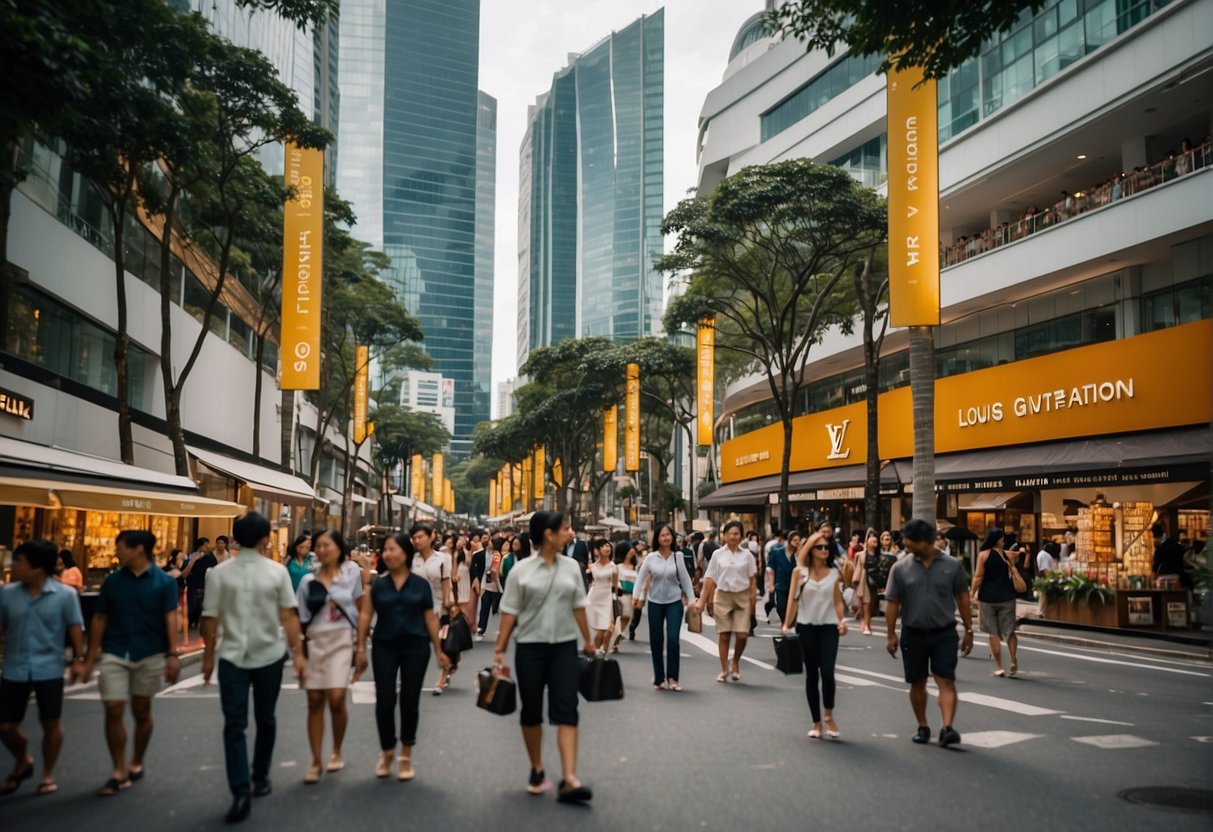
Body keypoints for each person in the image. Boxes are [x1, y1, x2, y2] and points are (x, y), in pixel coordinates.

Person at [201, 512, 306, 824]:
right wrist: (298, 654)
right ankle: (260, 776)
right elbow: (288, 616)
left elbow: (210, 619)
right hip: (270, 655)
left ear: (234, 538)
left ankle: (240, 791)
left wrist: (208, 657)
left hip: (231, 656)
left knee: (234, 725)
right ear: (265, 539)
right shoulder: (277, 572)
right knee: (266, 718)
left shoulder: (218, 574)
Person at [494, 511, 595, 804]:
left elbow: (578, 606)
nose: (570, 533)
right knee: (531, 711)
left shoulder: (572, 568)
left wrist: (588, 640)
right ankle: (536, 768)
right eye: (565, 529)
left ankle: (569, 778)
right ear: (549, 534)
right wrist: (500, 650)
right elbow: (509, 611)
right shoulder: (521, 571)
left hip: (564, 647)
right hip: (530, 648)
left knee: (568, 709)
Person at [81, 529, 180, 796]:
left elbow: (171, 617)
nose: (117, 551)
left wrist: (172, 655)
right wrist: (88, 659)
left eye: (121, 546)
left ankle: (136, 760)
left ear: (138, 549)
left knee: (141, 710)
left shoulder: (164, 582)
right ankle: (118, 769)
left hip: (150, 652)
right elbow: (99, 618)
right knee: (113, 707)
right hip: (115, 650)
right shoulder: (113, 582)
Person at [355, 532, 448, 781]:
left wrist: (439, 650)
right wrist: (360, 648)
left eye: (392, 549)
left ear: (405, 553)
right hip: (384, 646)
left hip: (416, 647)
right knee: (385, 701)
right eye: (385, 549)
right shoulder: (378, 585)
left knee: (409, 700)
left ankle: (406, 753)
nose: (387, 554)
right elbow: (365, 615)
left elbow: (430, 618)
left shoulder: (420, 585)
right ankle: (387, 751)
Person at [0, 540, 85, 797]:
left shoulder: (65, 595)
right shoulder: (7, 593)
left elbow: (75, 627)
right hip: (14, 666)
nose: (14, 566)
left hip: (49, 666)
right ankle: (23, 759)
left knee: (50, 721)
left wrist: (78, 659)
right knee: (6, 725)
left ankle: (47, 773)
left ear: (36, 567)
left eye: (19, 561)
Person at [884, 519, 974, 748]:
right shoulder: (900, 568)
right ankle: (922, 725)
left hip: (944, 632)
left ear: (925, 541)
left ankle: (947, 728)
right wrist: (891, 634)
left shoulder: (952, 566)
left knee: (946, 680)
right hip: (912, 632)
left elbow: (963, 598)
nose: (905, 545)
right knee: (917, 682)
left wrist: (969, 629)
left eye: (909, 541)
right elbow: (892, 602)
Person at [296, 530, 362, 784]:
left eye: (327, 545)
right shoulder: (307, 581)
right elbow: (300, 618)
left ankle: (336, 749)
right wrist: (299, 652)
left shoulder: (351, 577)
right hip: (314, 640)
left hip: (342, 640)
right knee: (314, 700)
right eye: (319, 545)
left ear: (339, 548)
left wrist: (360, 647)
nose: (322, 550)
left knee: (336, 698)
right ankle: (315, 759)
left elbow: (360, 609)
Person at [782, 532, 847, 739]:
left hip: (829, 627)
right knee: (812, 674)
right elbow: (793, 600)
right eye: (819, 547)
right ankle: (816, 722)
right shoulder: (799, 573)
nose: (824, 550)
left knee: (827, 672)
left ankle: (828, 715)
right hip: (806, 627)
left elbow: (837, 601)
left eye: (826, 547)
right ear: (810, 550)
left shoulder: (834, 573)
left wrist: (842, 620)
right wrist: (786, 624)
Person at [691, 520, 757, 683]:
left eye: (737, 534)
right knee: (724, 635)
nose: (733, 536)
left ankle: (735, 661)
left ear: (741, 536)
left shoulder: (747, 555)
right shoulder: (718, 554)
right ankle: (723, 669)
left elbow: (752, 580)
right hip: (722, 596)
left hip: (742, 597)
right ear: (725, 536)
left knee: (742, 635)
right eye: (730, 534)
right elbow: (709, 579)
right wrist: (701, 601)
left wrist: (753, 602)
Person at [635, 524, 696, 691]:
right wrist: (636, 596)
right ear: (657, 538)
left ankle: (673, 678)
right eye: (662, 535)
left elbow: (685, 579)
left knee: (673, 640)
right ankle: (659, 678)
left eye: (668, 535)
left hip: (674, 602)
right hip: (654, 602)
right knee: (656, 640)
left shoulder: (678, 556)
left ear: (672, 537)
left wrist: (692, 600)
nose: (666, 538)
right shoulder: (651, 558)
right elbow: (640, 579)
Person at [411, 524, 455, 695]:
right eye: (414, 538)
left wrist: (447, 603)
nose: (417, 540)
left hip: (437, 604)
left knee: (442, 642)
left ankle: (442, 677)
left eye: (421, 537)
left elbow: (445, 581)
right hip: (415, 606)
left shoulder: (443, 558)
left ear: (431, 537)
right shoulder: (411, 558)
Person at [970, 528, 1020, 678]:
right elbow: (1018, 556)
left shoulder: (983, 555)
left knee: (993, 634)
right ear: (997, 539)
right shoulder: (1008, 555)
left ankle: (999, 667)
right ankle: (1013, 660)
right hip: (1007, 597)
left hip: (987, 598)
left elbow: (978, 577)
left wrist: (973, 593)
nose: (1004, 540)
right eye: (1002, 538)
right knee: (1010, 631)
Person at [585, 539, 619, 651]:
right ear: (597, 550)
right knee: (600, 631)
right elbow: (589, 583)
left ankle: (601, 653)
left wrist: (615, 604)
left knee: (607, 630)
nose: (607, 548)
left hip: (607, 599)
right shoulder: (592, 567)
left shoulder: (613, 567)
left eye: (609, 546)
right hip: (594, 599)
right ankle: (596, 653)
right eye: (604, 546)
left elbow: (615, 587)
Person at [180, 537, 217, 630]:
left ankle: (195, 622)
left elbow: (212, 572)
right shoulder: (190, 557)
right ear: (200, 546)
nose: (207, 547)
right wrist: (194, 560)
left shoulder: (210, 558)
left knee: (199, 606)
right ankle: (190, 623)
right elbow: (184, 573)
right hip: (192, 585)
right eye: (205, 545)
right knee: (192, 605)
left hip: (203, 585)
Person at [765, 530, 798, 625]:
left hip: (795, 585)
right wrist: (771, 584)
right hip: (781, 583)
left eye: (798, 540)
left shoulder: (800, 554)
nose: (797, 542)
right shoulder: (777, 552)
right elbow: (771, 568)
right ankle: (785, 622)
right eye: (795, 540)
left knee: (793, 606)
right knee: (781, 606)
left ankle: (790, 623)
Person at [477, 536, 506, 640]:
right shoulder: (487, 553)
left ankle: (484, 629)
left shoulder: (496, 555)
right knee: (485, 608)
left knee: (489, 608)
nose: (488, 542)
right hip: (489, 585)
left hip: (494, 586)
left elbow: (494, 570)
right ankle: (481, 629)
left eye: (490, 541)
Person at [611, 545, 639, 653]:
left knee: (627, 616)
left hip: (631, 595)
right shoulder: (618, 566)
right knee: (618, 617)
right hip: (620, 594)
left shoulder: (635, 567)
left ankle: (618, 636)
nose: (630, 554)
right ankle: (614, 641)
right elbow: (615, 580)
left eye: (632, 552)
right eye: (628, 552)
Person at [853, 531, 880, 635]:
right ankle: (866, 626)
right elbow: (857, 569)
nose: (874, 539)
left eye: (875, 537)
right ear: (866, 540)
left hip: (876, 582)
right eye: (871, 537)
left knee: (872, 604)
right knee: (866, 603)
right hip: (865, 581)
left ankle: (867, 622)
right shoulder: (861, 555)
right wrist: (856, 583)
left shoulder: (880, 555)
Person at [1152, 523, 1189, 587]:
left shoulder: (1160, 549)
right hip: (1177, 577)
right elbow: (1185, 563)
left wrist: (1153, 578)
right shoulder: (1179, 547)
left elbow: (1156, 566)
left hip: (1163, 578)